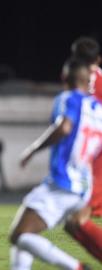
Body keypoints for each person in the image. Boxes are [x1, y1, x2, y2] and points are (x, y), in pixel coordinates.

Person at [9, 59, 97, 270]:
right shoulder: (98, 109)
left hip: (63, 183)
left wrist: (32, 150)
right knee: (27, 232)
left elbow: (64, 128)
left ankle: (76, 267)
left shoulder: (68, 98)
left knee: (19, 235)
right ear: (89, 81)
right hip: (85, 187)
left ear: (64, 78)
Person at [63, 37, 102, 262]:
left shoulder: (75, 77)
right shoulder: (95, 77)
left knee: (78, 218)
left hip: (89, 151)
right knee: (76, 220)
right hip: (90, 150)